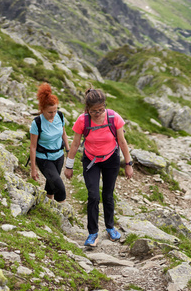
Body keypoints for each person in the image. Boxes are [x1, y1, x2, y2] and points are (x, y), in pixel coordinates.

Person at [65, 88, 133, 247]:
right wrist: (69, 166)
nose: (97, 113)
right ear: (87, 109)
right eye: (93, 111)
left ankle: (110, 228)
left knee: (108, 195)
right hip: (91, 161)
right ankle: (93, 233)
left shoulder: (113, 117)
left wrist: (128, 164)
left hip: (111, 159)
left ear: (105, 106)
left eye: (101, 110)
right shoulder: (82, 120)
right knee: (94, 196)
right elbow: (75, 144)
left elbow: (122, 142)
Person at [29, 83, 70, 203]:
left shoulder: (60, 116)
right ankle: (62, 212)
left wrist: (68, 150)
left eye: (55, 111)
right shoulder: (37, 123)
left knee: (51, 183)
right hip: (44, 158)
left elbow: (64, 134)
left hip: (59, 156)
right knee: (60, 187)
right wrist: (33, 169)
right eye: (50, 112)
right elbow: (32, 147)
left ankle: (48, 206)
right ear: (42, 110)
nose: (53, 115)